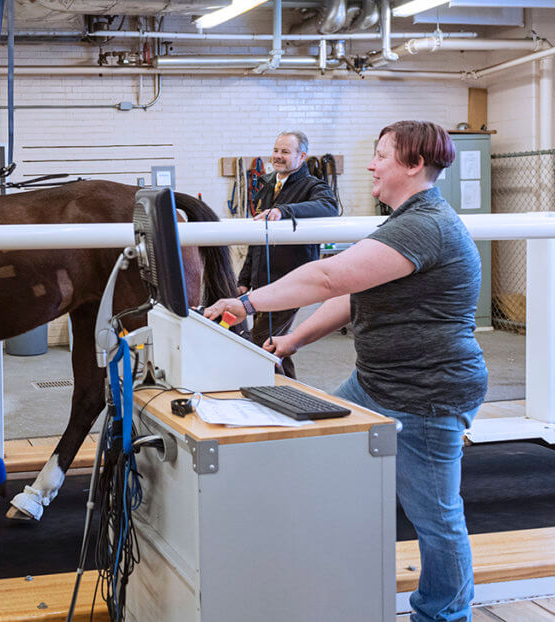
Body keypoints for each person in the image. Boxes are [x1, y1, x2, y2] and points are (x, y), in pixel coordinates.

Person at [205, 120, 487, 622]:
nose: (372, 165)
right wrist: (294, 338)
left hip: (427, 394)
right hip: (377, 382)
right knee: (326, 460)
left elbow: (328, 275)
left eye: (381, 155)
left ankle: (444, 615)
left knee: (436, 517)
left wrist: (246, 302)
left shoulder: (426, 224)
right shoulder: (403, 222)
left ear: (415, 165)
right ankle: (336, 584)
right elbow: (352, 294)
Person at [236, 131, 339, 378]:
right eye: (275, 151)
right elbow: (258, 238)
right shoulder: (268, 183)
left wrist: (284, 211)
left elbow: (329, 207)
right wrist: (244, 279)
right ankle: (289, 389)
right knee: (276, 345)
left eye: (285, 152)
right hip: (263, 281)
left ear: (301, 156)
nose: (277, 157)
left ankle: (283, 394)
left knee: (261, 341)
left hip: (292, 283)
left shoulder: (313, 186)